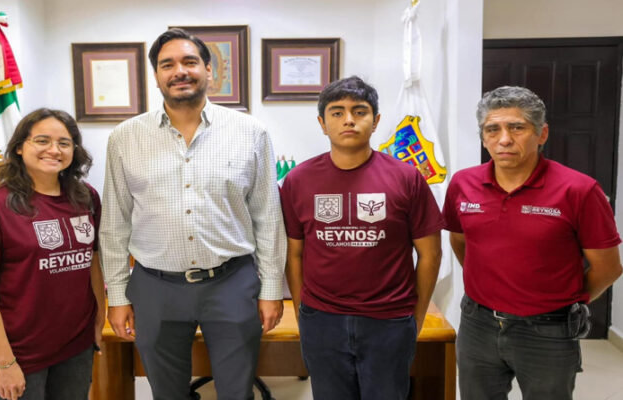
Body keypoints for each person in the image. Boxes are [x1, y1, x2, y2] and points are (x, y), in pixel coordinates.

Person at [100, 28, 285, 400]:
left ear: (208, 71)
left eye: (189, 62)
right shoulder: (125, 137)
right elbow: (115, 224)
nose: (179, 71)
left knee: (237, 392)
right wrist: (117, 296)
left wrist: (271, 290)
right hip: (155, 286)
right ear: (156, 76)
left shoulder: (250, 132)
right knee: (167, 393)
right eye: (167, 65)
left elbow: (267, 217)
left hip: (231, 282)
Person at [443, 86, 623, 400]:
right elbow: (460, 242)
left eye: (517, 127)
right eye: (493, 129)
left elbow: (608, 267)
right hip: (477, 324)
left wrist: (564, 300)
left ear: (542, 134)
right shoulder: (463, 183)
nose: (504, 139)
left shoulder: (579, 190)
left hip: (548, 331)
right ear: (483, 137)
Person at [279, 76, 444, 400]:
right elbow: (293, 253)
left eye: (359, 111)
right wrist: (302, 312)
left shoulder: (407, 177)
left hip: (389, 320)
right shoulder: (299, 180)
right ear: (322, 123)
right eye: (337, 112)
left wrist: (416, 317)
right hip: (322, 320)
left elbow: (431, 254)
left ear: (376, 120)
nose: (349, 120)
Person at [0, 109, 105, 400]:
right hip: (18, 352)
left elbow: (93, 262)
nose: (54, 150)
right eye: (42, 140)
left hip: (75, 344)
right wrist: (5, 362)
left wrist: (99, 318)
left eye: (64, 143)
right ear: (20, 147)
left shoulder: (86, 197)